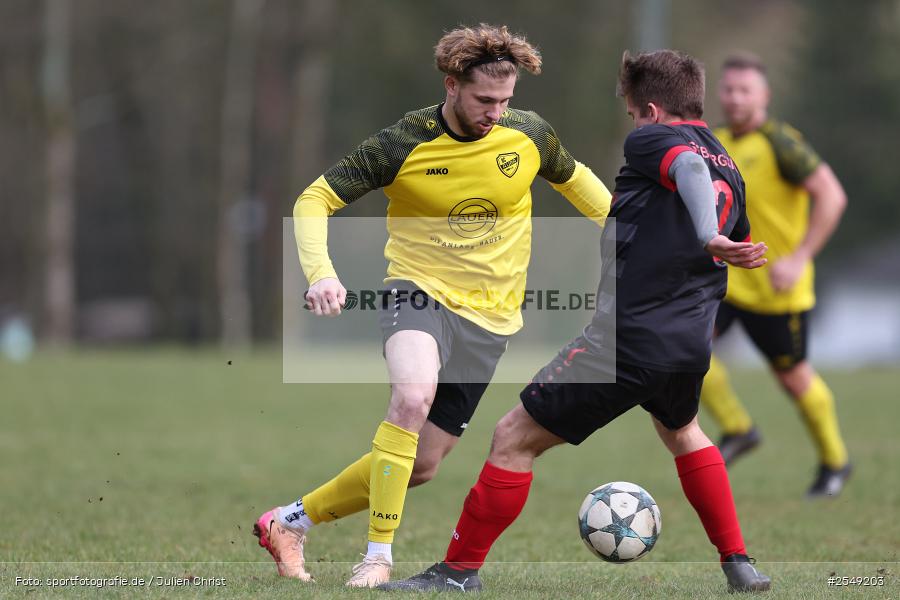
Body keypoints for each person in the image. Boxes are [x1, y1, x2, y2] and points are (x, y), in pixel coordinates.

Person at [380, 49, 772, 594]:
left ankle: (457, 572)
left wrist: (706, 234)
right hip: (688, 345)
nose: (633, 125)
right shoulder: (728, 162)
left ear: (651, 110)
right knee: (684, 432)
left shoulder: (655, 139)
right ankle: (738, 562)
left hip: (627, 341)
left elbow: (685, 167)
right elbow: (716, 217)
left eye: (633, 114)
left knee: (512, 438)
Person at [253, 24, 614, 587]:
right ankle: (377, 558)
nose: (496, 112)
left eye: (505, 100)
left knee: (420, 465)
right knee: (412, 396)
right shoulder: (403, 143)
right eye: (484, 99)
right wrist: (321, 273)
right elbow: (315, 198)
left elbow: (580, 185)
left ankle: (288, 522)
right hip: (417, 292)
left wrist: (638, 237)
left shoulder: (528, 134)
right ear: (451, 85)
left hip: (491, 320)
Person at [701, 53, 851, 498]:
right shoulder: (713, 142)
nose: (735, 98)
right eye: (729, 89)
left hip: (776, 289)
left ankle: (835, 462)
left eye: (745, 90)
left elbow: (832, 196)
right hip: (728, 281)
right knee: (684, 350)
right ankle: (738, 429)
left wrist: (800, 257)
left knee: (793, 378)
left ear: (764, 96)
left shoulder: (782, 143)